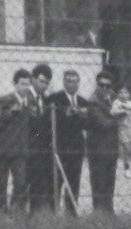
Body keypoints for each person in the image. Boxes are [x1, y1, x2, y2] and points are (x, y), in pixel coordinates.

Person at [47, 70, 89, 216]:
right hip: (60, 146)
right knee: (57, 181)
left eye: (75, 81)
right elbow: (50, 122)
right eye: (69, 81)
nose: (72, 85)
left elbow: (88, 125)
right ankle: (53, 211)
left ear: (79, 83)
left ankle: (71, 212)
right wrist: (67, 114)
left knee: (74, 181)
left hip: (77, 147)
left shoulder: (83, 102)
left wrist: (82, 116)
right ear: (64, 82)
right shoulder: (55, 99)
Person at [0, 69, 33, 215]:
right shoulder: (5, 100)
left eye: (28, 84)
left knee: (20, 182)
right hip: (4, 149)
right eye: (22, 84)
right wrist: (10, 112)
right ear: (15, 84)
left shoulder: (30, 101)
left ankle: (16, 209)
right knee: (2, 183)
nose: (25, 87)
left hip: (21, 149)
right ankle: (2, 211)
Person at [27, 63, 54, 214]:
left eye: (46, 83)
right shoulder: (26, 96)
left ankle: (37, 213)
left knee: (41, 183)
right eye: (41, 81)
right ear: (33, 79)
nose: (43, 85)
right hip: (27, 146)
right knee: (24, 183)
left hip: (42, 148)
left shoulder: (47, 99)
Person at [113, 85, 131, 178]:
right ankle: (127, 169)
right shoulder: (116, 103)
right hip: (122, 127)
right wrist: (124, 110)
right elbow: (114, 112)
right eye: (121, 92)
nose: (123, 94)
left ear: (129, 95)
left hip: (130, 127)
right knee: (127, 148)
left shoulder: (130, 103)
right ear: (118, 94)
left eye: (125, 92)